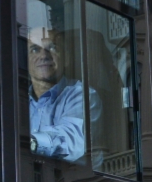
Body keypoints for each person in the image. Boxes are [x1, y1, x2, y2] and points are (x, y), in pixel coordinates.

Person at [27, 27, 99, 164]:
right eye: (35, 49)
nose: (44, 55)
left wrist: (26, 143)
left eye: (53, 48)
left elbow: (70, 141)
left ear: (66, 59)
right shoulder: (12, 101)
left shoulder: (83, 95)